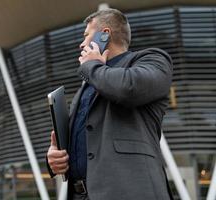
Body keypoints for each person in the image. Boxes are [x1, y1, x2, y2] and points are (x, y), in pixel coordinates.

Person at [46, 8, 174, 200]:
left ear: (104, 34)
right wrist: (55, 159)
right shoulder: (88, 85)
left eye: (86, 36)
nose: (81, 44)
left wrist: (91, 66)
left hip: (129, 191)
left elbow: (128, 88)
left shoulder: (152, 60)